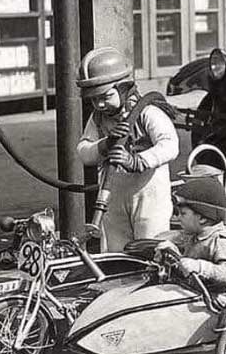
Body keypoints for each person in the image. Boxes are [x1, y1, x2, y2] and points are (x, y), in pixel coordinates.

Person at [75, 46, 178, 252]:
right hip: (113, 193)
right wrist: (105, 145)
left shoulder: (147, 112)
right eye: (94, 99)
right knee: (116, 251)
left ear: (123, 88)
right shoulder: (98, 119)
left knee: (151, 247)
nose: (100, 105)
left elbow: (170, 145)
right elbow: (83, 151)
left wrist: (137, 161)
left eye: (105, 97)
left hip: (148, 193)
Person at [158, 178, 226, 301]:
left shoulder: (221, 241)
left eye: (183, 213)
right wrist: (171, 253)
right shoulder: (194, 235)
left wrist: (199, 267)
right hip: (203, 289)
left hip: (224, 296)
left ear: (202, 218)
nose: (178, 217)